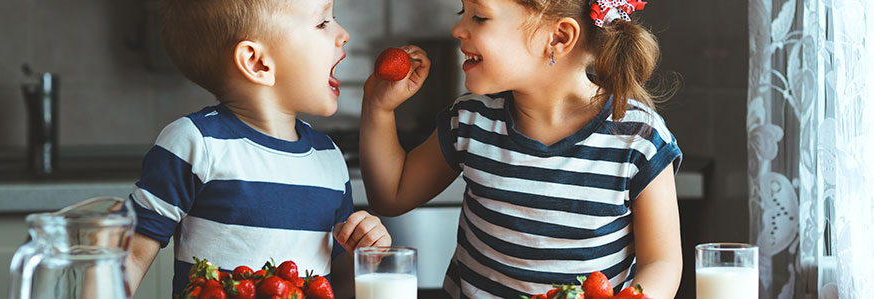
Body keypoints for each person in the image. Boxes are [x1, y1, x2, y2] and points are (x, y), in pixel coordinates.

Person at [359, 0, 682, 298]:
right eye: (463, 13)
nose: (457, 29)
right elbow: (391, 195)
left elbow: (662, 263)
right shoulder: (472, 120)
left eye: (480, 16)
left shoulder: (639, 137)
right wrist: (378, 108)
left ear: (558, 38)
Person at [124, 0, 392, 297]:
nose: (344, 34)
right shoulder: (195, 143)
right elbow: (131, 257)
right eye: (322, 23)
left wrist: (365, 255)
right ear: (257, 62)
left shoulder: (329, 158)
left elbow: (336, 283)